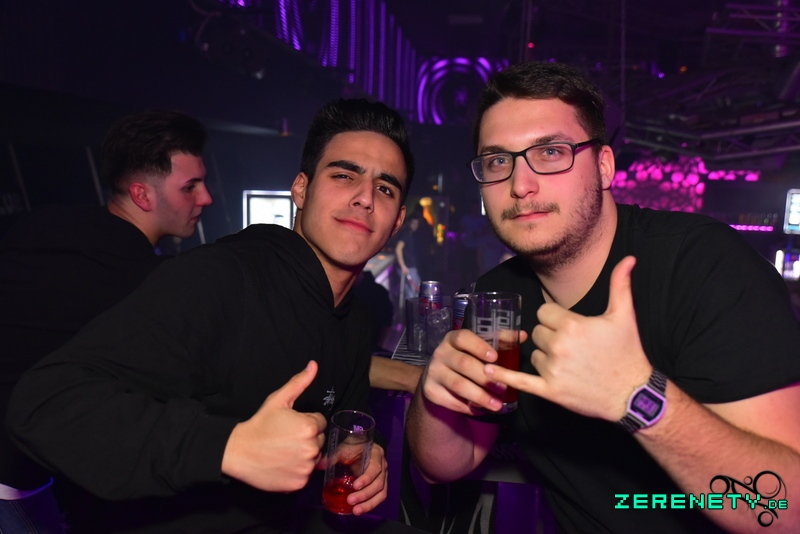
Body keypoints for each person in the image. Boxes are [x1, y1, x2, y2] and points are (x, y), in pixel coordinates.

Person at [406, 61, 800, 533]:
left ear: (605, 166)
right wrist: (434, 392)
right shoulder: (499, 298)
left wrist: (637, 396)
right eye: (497, 162)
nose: (520, 184)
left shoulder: (704, 267)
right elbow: (444, 464)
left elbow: (784, 509)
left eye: (550, 152)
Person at [7, 98, 415, 533]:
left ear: (397, 221)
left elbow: (346, 423)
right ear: (300, 189)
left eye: (385, 189)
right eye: (344, 175)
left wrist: (362, 448)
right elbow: (44, 404)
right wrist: (229, 447)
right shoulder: (222, 278)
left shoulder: (354, 322)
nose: (364, 198)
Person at [0, 109, 212, 532]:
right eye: (190, 187)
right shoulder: (147, 284)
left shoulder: (42, 223)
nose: (205, 198)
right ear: (142, 195)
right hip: (13, 481)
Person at [394, 213, 422, 299]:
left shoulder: (411, 233)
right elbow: (398, 248)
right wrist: (403, 266)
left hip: (411, 267)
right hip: (408, 267)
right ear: (409, 223)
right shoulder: (405, 233)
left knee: (415, 290)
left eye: (417, 224)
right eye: (413, 223)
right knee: (412, 294)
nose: (415, 226)